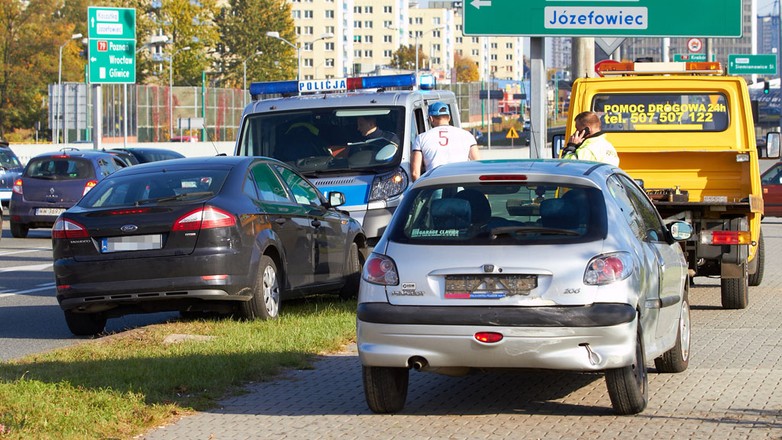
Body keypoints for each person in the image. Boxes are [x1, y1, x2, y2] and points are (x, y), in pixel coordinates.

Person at [410, 101, 480, 181]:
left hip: (434, 183)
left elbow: (415, 173)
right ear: (449, 117)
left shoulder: (421, 138)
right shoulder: (467, 135)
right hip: (460, 182)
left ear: (431, 118)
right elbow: (477, 164)